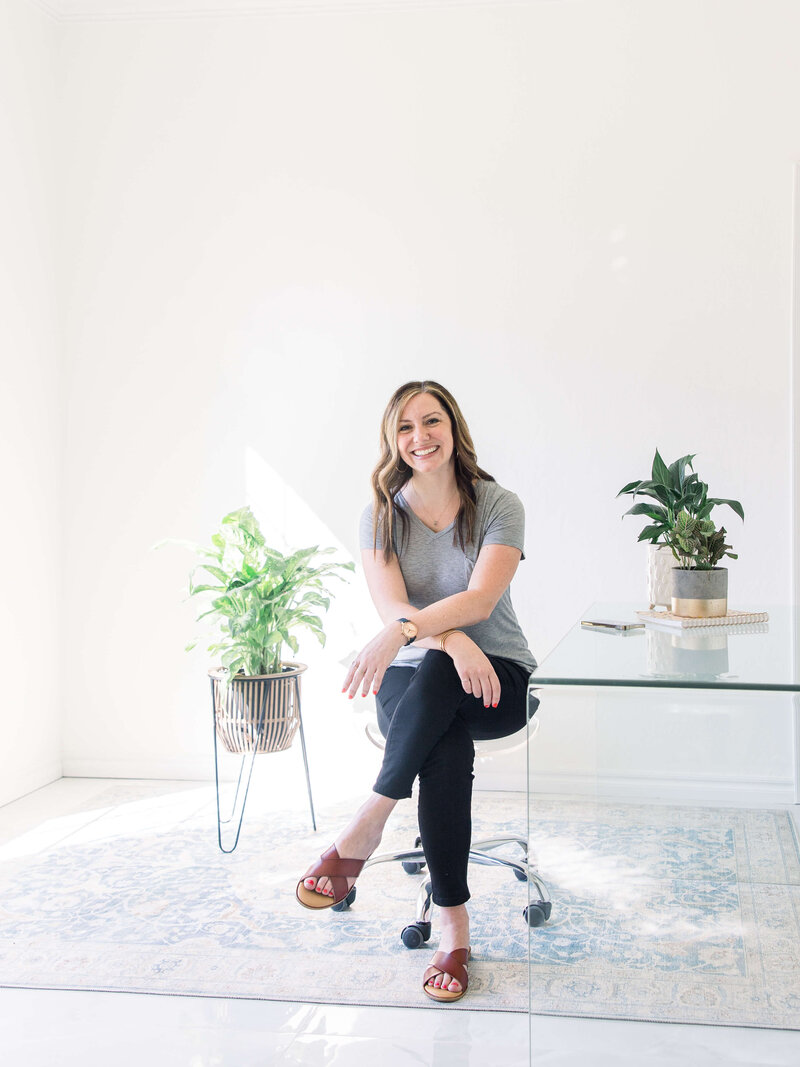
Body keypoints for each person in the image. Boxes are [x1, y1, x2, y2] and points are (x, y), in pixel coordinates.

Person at [295, 379, 537, 1003]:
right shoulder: (380, 514)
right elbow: (392, 603)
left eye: (431, 422)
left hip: (498, 674)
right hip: (420, 679)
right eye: (405, 428)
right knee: (443, 736)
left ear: (453, 428)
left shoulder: (498, 505)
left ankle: (370, 820)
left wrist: (416, 633)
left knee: (441, 684)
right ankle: (454, 929)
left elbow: (482, 598)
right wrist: (450, 639)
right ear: (391, 440)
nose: (419, 437)